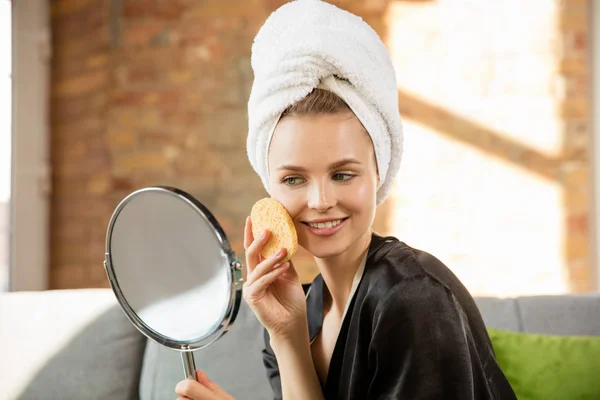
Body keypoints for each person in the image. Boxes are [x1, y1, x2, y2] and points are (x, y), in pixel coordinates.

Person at [176, 1, 518, 399]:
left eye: (342, 174)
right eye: (293, 178)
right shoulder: (302, 306)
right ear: (270, 190)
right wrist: (287, 338)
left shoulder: (412, 298)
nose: (320, 200)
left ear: (379, 173)